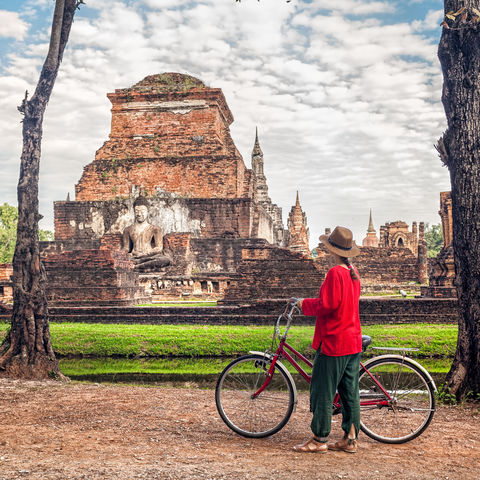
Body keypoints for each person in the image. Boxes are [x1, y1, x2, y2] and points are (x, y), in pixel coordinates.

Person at [292, 226, 362, 454]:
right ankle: (350, 440)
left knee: (324, 390)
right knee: (349, 391)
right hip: (352, 340)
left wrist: (304, 304)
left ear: (332, 249)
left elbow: (328, 305)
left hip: (334, 341)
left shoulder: (335, 273)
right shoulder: (353, 272)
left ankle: (319, 438)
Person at [122, 196, 171, 271]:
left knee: (165, 259)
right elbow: (126, 248)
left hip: (148, 257)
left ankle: (136, 266)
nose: (139, 214)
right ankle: (136, 264)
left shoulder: (155, 229)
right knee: (116, 260)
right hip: (134, 256)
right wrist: (120, 254)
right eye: (136, 211)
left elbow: (159, 248)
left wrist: (144, 254)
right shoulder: (127, 230)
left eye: (142, 211)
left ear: (147, 211)